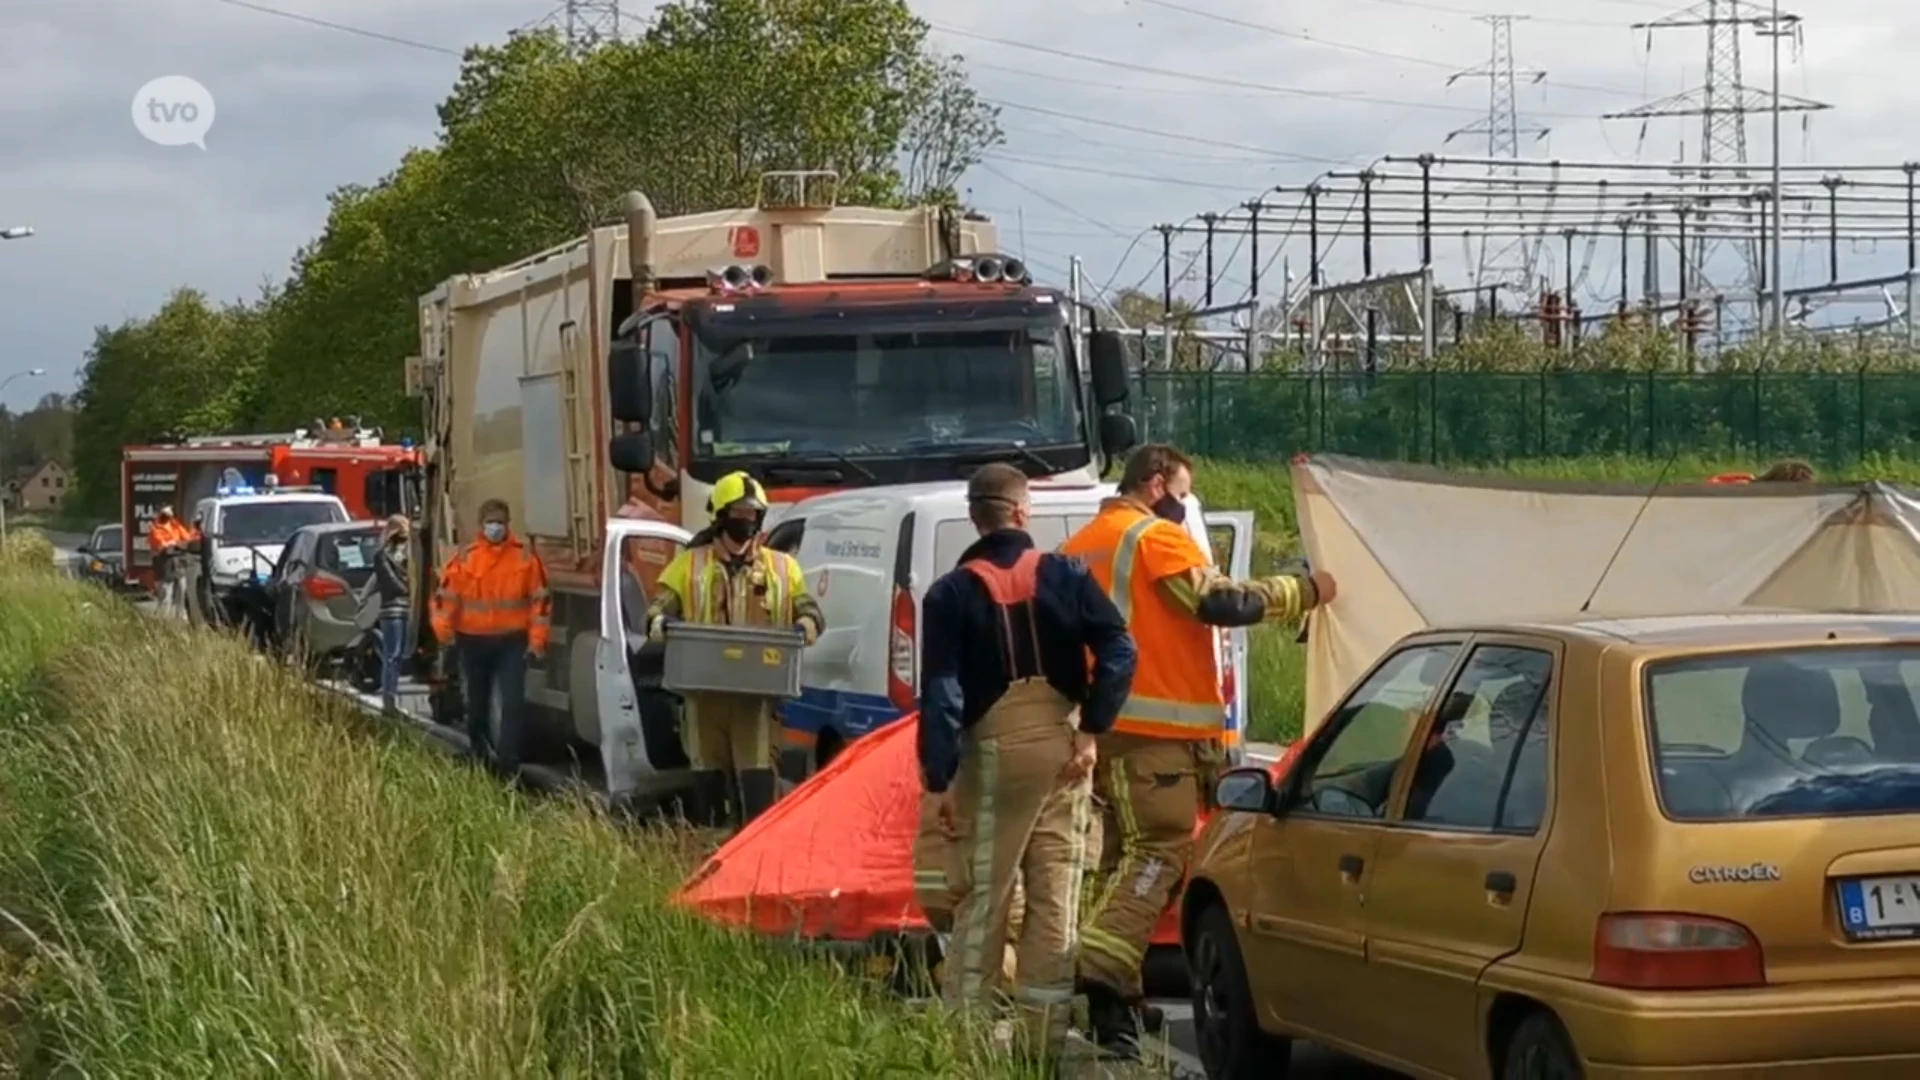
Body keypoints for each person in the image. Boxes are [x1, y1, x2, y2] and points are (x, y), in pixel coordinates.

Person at [1059, 443, 1336, 1053]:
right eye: (1182, 494)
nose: (1183, 507)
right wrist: (1305, 590)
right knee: (1161, 850)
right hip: (1157, 735)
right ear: (1156, 484)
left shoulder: (1079, 547)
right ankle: (1101, 976)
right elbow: (1221, 603)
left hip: (1101, 729)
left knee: (1118, 862)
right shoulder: (1154, 538)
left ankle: (1120, 1002)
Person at [919, 463, 1137, 1064]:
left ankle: (967, 1048)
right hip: (1065, 750)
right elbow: (1120, 648)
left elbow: (941, 693)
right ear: (1022, 512)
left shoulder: (950, 593)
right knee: (1056, 896)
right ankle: (1043, 1046)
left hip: (992, 756)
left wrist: (938, 780)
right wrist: (1092, 728)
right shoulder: (1066, 574)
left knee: (984, 898)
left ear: (974, 516)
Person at [646, 471, 824, 829]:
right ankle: (710, 864)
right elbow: (656, 611)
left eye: (753, 516)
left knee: (758, 793)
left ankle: (754, 866)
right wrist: (661, 625)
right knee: (709, 791)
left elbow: (811, 612)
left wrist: (804, 629)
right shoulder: (689, 564)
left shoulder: (782, 568)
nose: (747, 524)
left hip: (755, 699)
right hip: (703, 697)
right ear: (721, 517)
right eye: (739, 515)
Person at [429, 498, 550, 777]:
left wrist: (536, 643)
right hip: (473, 642)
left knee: (512, 704)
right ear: (481, 525)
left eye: (499, 522)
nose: (494, 528)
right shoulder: (466, 560)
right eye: (489, 523)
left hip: (512, 642)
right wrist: (446, 638)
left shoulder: (525, 560)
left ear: (508, 525)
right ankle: (479, 751)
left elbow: (540, 605)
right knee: (477, 703)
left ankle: (508, 763)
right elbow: (444, 601)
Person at [373, 514, 412, 716]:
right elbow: (388, 580)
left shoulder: (408, 551)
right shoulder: (382, 555)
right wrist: (408, 589)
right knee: (392, 655)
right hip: (393, 609)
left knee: (398, 655)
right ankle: (389, 701)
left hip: (405, 608)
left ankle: (392, 699)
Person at [147, 505, 194, 617]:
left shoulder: (175, 525)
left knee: (182, 592)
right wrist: (175, 543)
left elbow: (187, 538)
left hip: (179, 564)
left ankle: (181, 618)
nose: (170, 513)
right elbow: (162, 545)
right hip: (164, 566)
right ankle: (163, 621)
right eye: (167, 511)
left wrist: (176, 543)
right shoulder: (155, 529)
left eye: (170, 511)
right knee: (166, 594)